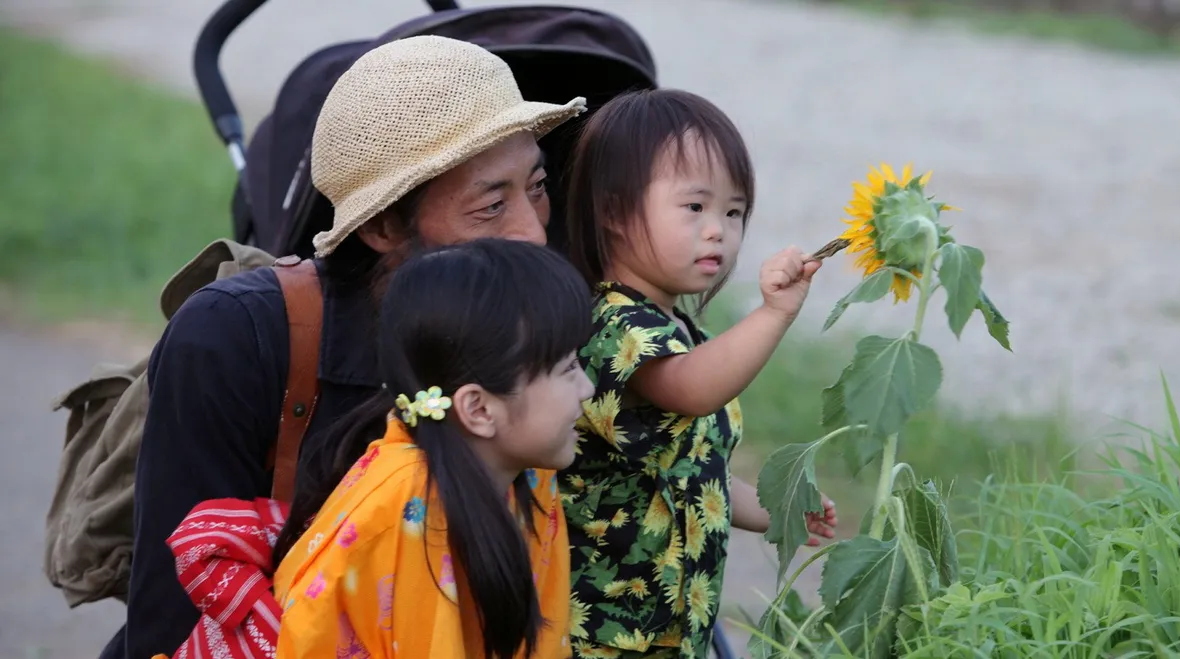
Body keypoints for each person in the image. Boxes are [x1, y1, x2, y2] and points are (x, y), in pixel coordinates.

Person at [109, 35, 586, 659]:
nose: (533, 232)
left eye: (538, 187)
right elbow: (170, 617)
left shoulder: (541, 347)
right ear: (383, 226)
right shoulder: (234, 341)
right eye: (491, 206)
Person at [560, 88, 839, 659]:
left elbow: (695, 474)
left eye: (733, 212)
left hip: (672, 633)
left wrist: (777, 511)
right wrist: (774, 313)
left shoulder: (680, 330)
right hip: (605, 636)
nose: (718, 230)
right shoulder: (612, 324)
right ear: (614, 211)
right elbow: (691, 390)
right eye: (694, 207)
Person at [272, 237, 595, 659]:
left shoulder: (531, 472)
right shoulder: (408, 503)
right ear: (478, 408)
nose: (587, 388)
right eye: (568, 368)